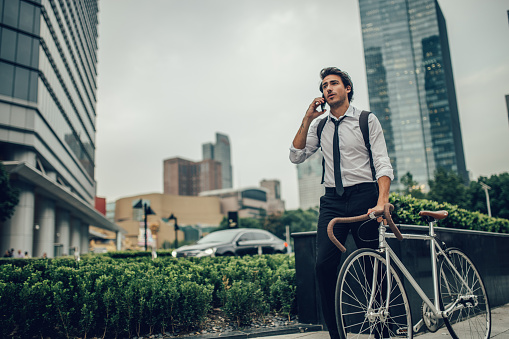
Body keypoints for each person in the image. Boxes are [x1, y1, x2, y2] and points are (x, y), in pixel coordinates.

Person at [289, 67, 394, 339]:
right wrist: (307, 118)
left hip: (364, 197)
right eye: (324, 86)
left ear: (347, 88)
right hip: (332, 202)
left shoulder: (366, 120)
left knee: (374, 264)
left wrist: (382, 201)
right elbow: (296, 156)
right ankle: (336, 334)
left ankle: (383, 327)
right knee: (323, 265)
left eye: (334, 83)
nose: (328, 89)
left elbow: (382, 162)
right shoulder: (319, 125)